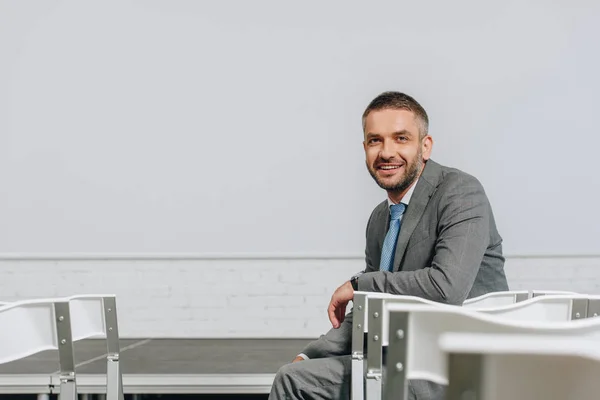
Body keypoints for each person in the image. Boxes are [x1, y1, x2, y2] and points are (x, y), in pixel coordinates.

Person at [268, 91, 509, 400]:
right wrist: (311, 354)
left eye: (401, 138)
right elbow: (371, 305)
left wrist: (359, 284)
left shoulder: (460, 192)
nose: (386, 152)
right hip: (403, 360)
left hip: (460, 370)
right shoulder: (380, 219)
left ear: (425, 146)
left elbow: (447, 287)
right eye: (375, 140)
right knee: (295, 373)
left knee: (293, 383)